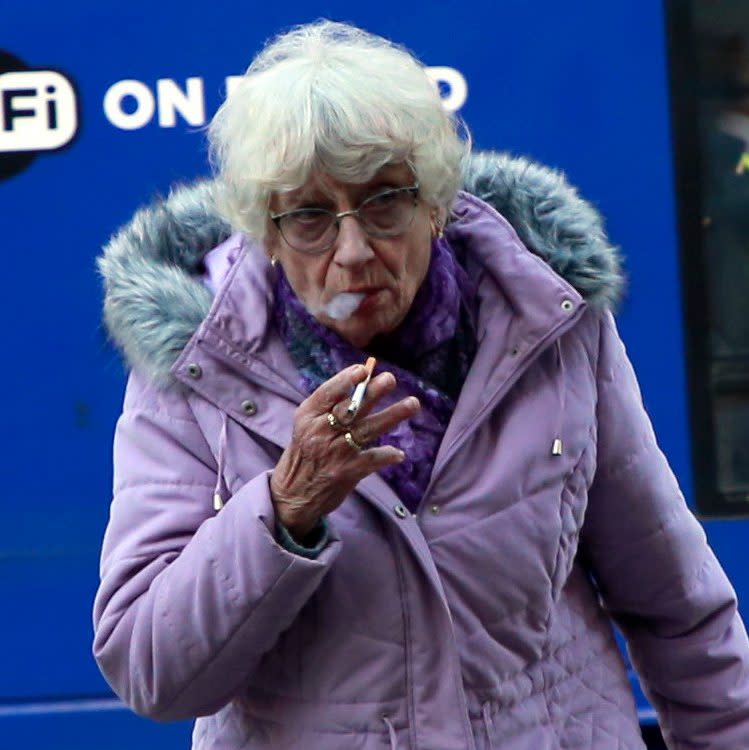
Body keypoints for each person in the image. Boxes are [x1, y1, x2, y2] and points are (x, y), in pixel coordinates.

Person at [93, 20, 749, 750]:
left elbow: (677, 608)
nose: (352, 251)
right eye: (309, 215)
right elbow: (150, 671)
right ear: (265, 233)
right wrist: (282, 512)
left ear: (434, 203)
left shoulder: (545, 325)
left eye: (384, 203)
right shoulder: (199, 369)